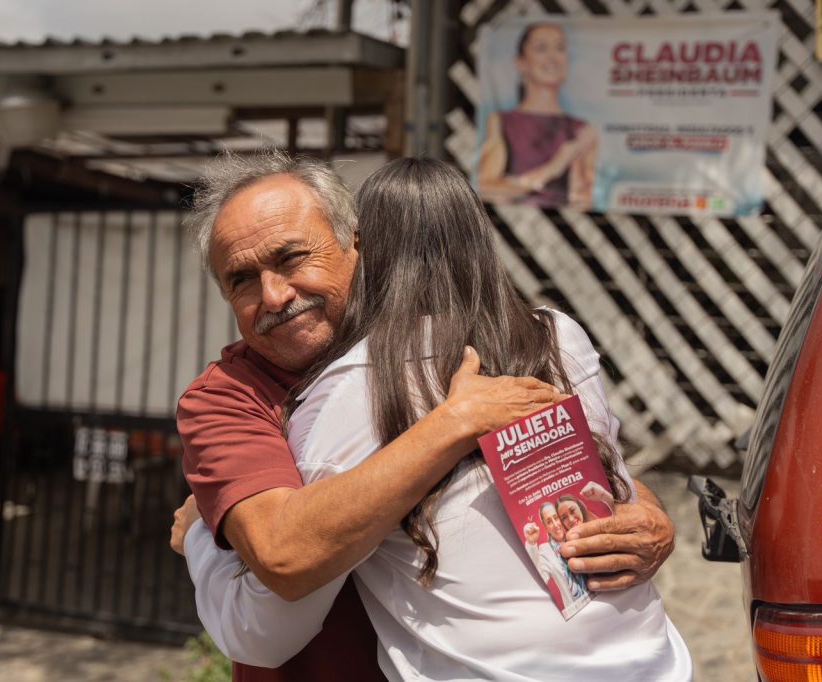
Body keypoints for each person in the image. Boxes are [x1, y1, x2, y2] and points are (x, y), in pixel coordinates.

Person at [175, 151, 678, 680]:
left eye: (292, 257)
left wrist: (645, 512)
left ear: (358, 245)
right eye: (242, 280)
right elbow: (278, 577)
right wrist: (454, 423)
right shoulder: (229, 399)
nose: (274, 295)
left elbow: (587, 459)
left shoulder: (509, 347)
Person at [478, 22, 597, 208]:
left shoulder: (581, 129)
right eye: (541, 48)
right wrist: (553, 168)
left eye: (560, 48)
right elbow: (487, 188)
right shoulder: (501, 122)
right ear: (521, 62)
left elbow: (584, 200)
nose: (553, 58)